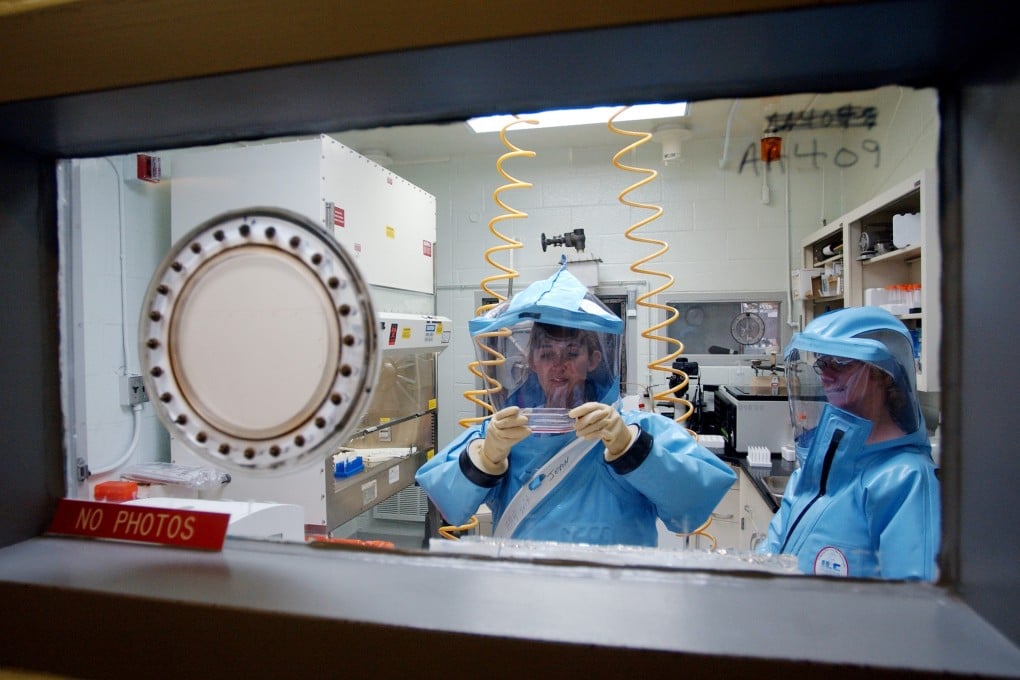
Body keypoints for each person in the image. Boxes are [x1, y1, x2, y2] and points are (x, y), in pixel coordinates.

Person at [415, 266, 736, 547]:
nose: (558, 366)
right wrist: (486, 458)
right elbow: (448, 504)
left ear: (594, 359)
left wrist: (632, 449)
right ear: (531, 361)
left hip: (614, 604)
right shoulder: (505, 431)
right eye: (546, 354)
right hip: (526, 601)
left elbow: (693, 507)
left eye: (571, 353)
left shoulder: (637, 430)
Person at [758, 306, 940, 580]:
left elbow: (914, 608)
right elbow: (769, 559)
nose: (825, 375)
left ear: (883, 373)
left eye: (841, 362)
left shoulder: (906, 480)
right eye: (822, 362)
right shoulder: (817, 467)